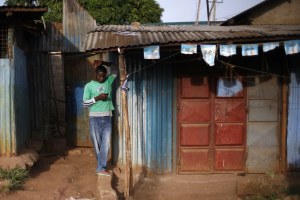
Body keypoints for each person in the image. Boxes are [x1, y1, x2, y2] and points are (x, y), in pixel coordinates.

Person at [82, 64, 116, 176]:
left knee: (105, 144)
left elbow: (116, 70)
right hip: (94, 118)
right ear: (96, 74)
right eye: (99, 76)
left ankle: (101, 167)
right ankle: (101, 167)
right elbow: (84, 103)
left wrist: (105, 63)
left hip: (107, 117)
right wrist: (97, 98)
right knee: (97, 144)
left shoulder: (108, 81)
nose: (101, 78)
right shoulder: (89, 86)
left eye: (103, 76)